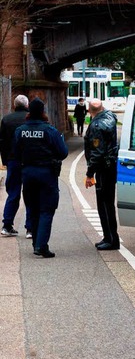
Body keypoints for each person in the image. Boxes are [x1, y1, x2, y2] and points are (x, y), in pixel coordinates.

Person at [14, 97, 68, 257]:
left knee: (33, 208)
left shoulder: (20, 131)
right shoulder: (50, 130)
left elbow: (15, 153)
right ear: (43, 112)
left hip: (28, 173)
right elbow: (63, 152)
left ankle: (35, 242)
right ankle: (41, 246)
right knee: (46, 209)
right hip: (47, 174)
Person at [84, 99, 120, 251]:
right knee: (108, 203)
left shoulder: (97, 126)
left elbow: (97, 152)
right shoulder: (110, 117)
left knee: (104, 204)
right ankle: (110, 237)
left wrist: (90, 172)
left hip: (103, 168)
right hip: (110, 165)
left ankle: (110, 239)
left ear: (90, 110)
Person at [0, 95, 33, 238]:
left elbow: (2, 142)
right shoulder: (31, 119)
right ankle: (30, 228)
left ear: (14, 104)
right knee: (31, 194)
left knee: (13, 193)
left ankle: (7, 225)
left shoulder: (6, 120)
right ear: (27, 105)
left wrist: (5, 161)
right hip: (29, 162)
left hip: (13, 161)